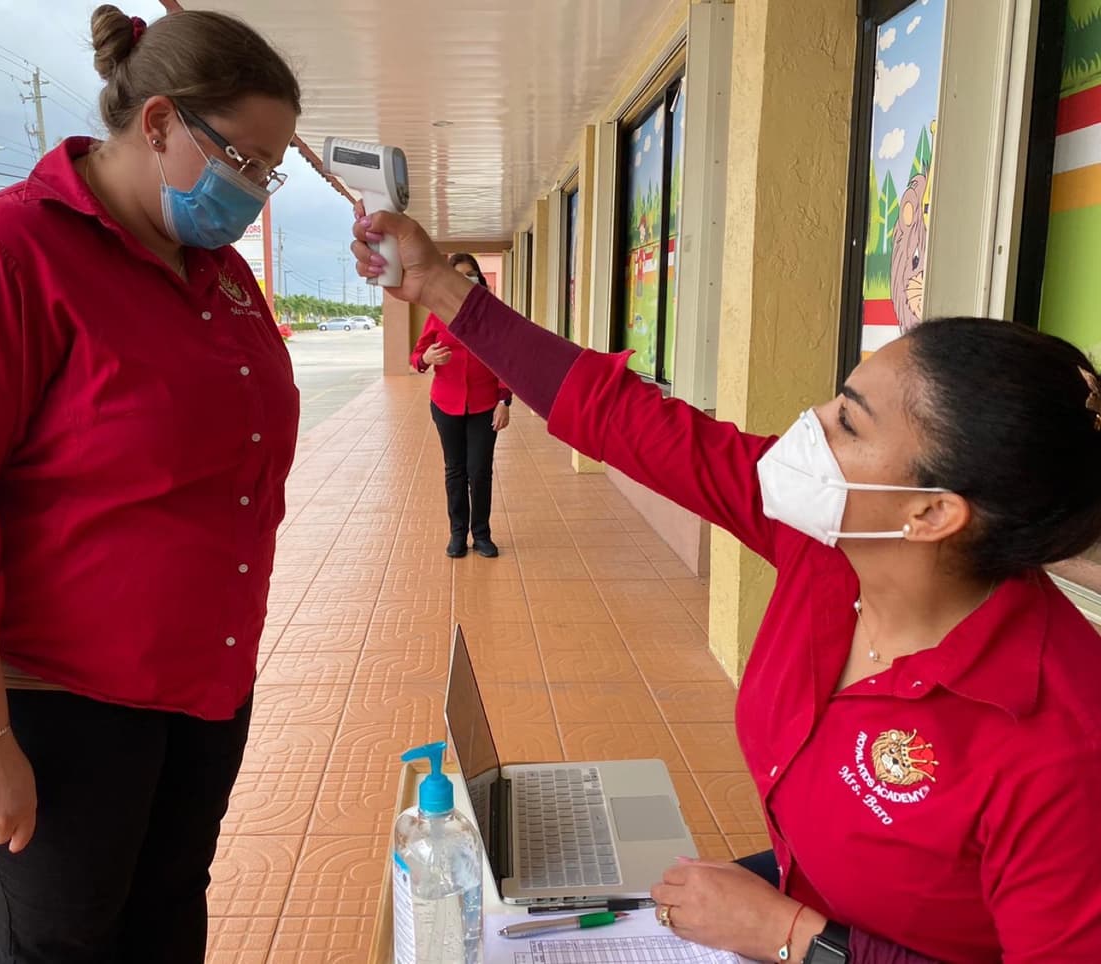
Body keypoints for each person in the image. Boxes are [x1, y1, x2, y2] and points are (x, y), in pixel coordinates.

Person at [349, 208, 1101, 962]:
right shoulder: (830, 543)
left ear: (932, 512)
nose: (809, 425)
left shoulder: (1062, 740)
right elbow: (618, 415)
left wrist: (793, 937)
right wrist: (441, 288)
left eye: (848, 422)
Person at [0, 7, 301, 962]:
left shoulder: (216, 273)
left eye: (272, 173)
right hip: (47, 693)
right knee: (68, 937)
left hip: (197, 675)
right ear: (161, 123)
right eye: (246, 163)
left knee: (169, 905)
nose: (256, 192)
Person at [411, 252, 512, 557]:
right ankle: (457, 533)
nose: (465, 280)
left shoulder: (493, 314)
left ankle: (481, 534)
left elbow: (506, 361)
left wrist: (504, 400)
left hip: (484, 405)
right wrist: (425, 359)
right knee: (455, 470)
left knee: (479, 471)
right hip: (445, 403)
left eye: (471, 274)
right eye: (458, 274)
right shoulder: (437, 313)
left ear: (479, 278)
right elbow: (417, 355)